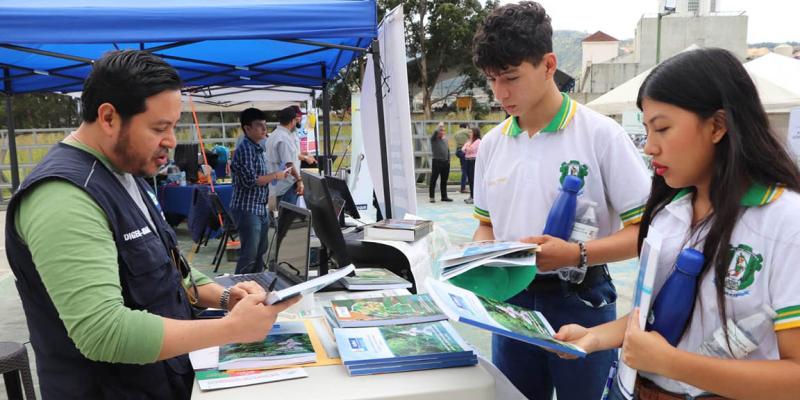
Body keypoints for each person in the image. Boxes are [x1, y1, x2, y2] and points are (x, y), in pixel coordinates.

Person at [5, 50, 300, 400]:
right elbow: (103, 331)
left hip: (163, 380)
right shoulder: (64, 196)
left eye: (174, 126)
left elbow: (171, 272)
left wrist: (224, 297)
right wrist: (231, 329)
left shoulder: (126, 174)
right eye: (160, 127)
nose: (172, 140)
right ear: (109, 117)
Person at [555, 48, 800, 400]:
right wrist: (596, 337)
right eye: (646, 130)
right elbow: (656, 318)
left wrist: (673, 363)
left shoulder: (786, 223)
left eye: (663, 129)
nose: (650, 147)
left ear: (717, 126)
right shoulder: (671, 214)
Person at [470, 2, 651, 399]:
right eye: (492, 80)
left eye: (512, 78)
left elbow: (647, 234)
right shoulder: (493, 145)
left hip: (581, 299)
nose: (501, 93)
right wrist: (480, 254)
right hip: (511, 300)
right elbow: (486, 222)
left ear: (549, 64)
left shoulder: (602, 137)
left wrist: (575, 253)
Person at [230, 107, 288, 274]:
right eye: (259, 126)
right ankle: (240, 290)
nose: (264, 129)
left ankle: (254, 284)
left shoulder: (257, 148)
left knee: (259, 252)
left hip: (258, 208)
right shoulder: (246, 149)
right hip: (247, 208)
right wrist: (276, 175)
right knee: (249, 255)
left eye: (265, 125)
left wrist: (276, 175)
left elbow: (260, 177)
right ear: (247, 128)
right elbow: (250, 181)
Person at [265, 106, 306, 206]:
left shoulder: (274, 135)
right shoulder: (284, 138)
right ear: (292, 121)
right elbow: (289, 164)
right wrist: (299, 180)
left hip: (274, 187)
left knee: (275, 217)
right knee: (285, 218)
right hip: (285, 188)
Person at [429, 122, 453, 203]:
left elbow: (447, 150)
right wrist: (439, 126)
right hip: (437, 161)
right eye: (441, 131)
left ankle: (444, 196)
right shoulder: (434, 139)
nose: (442, 132)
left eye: (443, 131)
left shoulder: (445, 139)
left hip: (445, 162)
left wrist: (448, 160)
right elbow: (435, 132)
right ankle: (432, 197)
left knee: (444, 180)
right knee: (433, 179)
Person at [461, 127, 481, 204]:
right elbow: (463, 150)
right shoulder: (469, 141)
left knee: (473, 179)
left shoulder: (478, 141)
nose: (469, 134)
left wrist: (467, 148)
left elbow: (470, 150)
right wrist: (467, 148)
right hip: (467, 161)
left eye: (471, 132)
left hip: (473, 161)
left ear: (475, 133)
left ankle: (474, 197)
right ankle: (471, 195)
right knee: (469, 179)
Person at [454, 122, 471, 193]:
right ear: (466, 126)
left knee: (464, 170)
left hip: (458, 151)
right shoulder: (468, 131)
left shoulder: (456, 133)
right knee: (467, 171)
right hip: (465, 151)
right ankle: (463, 188)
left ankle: (463, 187)